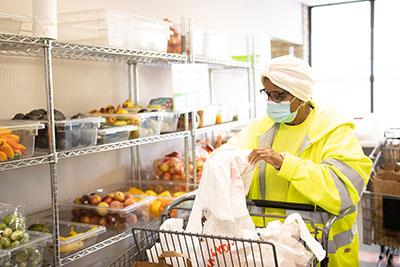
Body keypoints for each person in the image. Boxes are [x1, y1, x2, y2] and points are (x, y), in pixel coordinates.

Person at [226, 55, 372, 266]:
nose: (271, 102)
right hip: (269, 252)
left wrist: (285, 164)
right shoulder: (262, 128)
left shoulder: (334, 130)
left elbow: (342, 190)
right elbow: (229, 153)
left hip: (322, 254)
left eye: (278, 95)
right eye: (267, 94)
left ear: (301, 94)